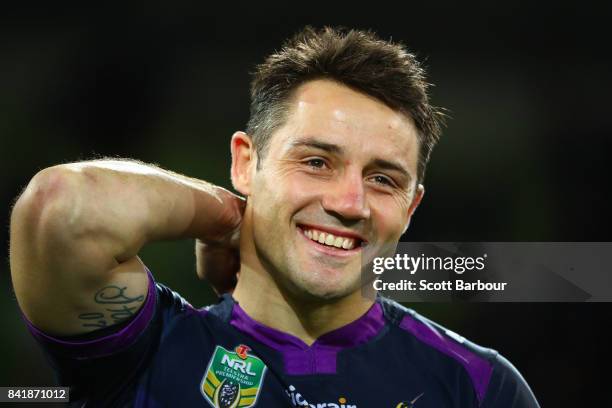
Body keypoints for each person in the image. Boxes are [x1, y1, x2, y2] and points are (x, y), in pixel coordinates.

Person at [9, 26, 539, 407]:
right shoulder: (150, 353)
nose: (350, 203)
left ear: (411, 207)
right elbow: (63, 206)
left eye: (383, 180)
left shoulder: (480, 386)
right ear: (246, 162)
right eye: (316, 162)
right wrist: (226, 217)